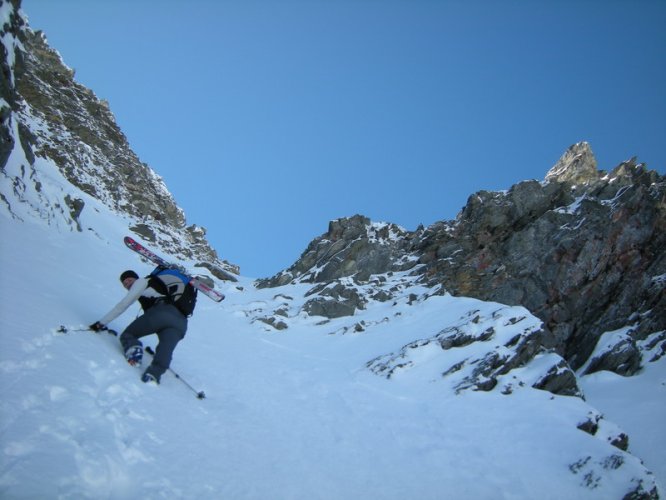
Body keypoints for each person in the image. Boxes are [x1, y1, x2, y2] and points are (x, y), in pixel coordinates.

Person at [90, 270, 189, 384]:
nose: (128, 284)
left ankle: (134, 351)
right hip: (181, 323)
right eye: (125, 284)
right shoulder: (158, 287)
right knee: (165, 349)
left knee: (128, 335)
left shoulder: (142, 282)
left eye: (129, 280)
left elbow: (123, 305)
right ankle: (154, 374)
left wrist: (101, 323)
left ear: (136, 278)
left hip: (161, 313)